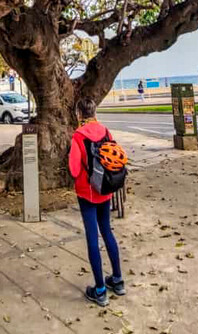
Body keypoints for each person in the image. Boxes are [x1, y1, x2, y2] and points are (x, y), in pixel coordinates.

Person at [68, 97, 123, 307]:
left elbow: (73, 170)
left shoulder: (78, 136)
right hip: (106, 191)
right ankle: (117, 280)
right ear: (95, 112)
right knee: (107, 231)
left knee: (92, 238)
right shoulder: (106, 131)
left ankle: (100, 290)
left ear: (79, 114)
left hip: (87, 194)